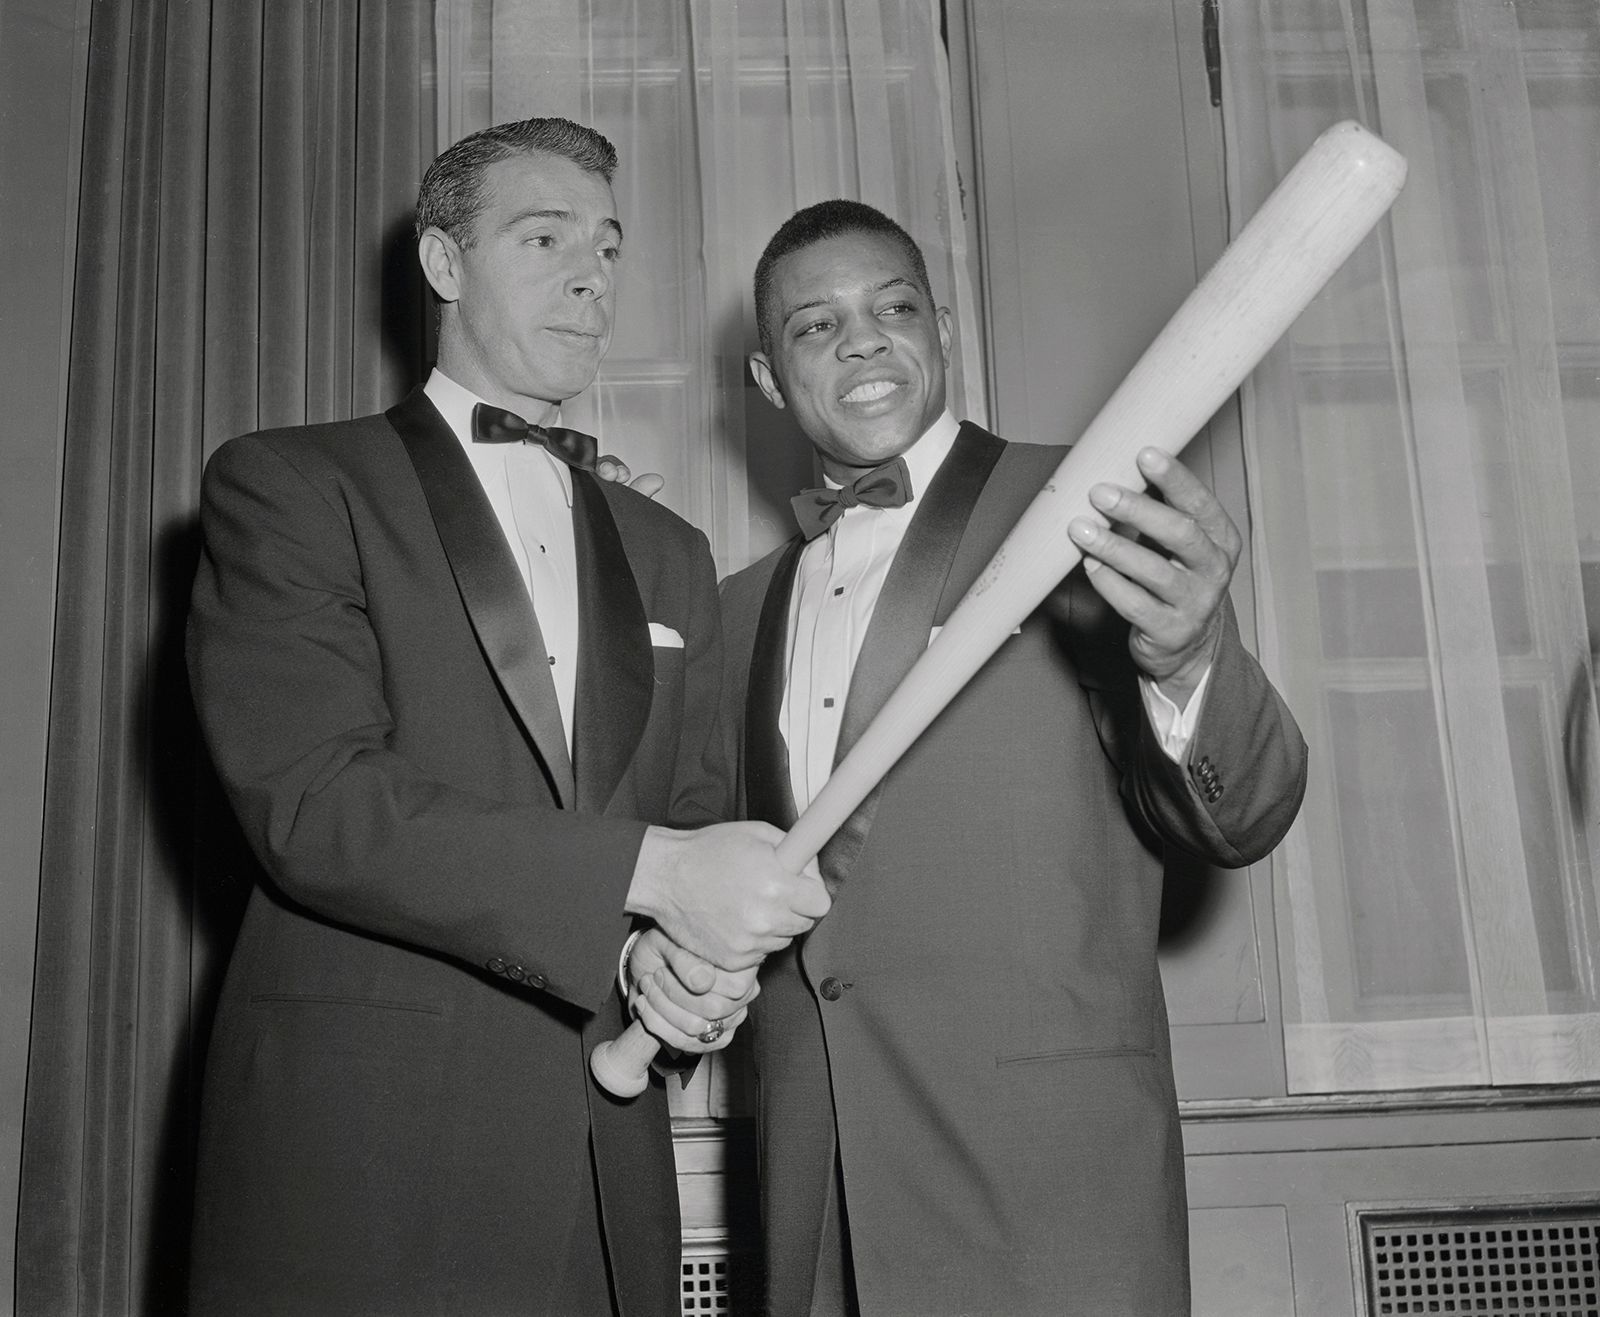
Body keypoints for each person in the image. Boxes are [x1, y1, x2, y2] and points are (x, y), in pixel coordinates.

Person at [184, 117, 826, 1316]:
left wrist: (674, 970)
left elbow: (687, 820)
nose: (593, 275)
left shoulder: (668, 549)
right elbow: (316, 804)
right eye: (544, 238)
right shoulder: (291, 484)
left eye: (609, 246)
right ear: (442, 265)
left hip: (602, 1156)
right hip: (361, 1160)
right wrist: (652, 875)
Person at [634, 198, 1309, 1315]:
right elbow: (715, 878)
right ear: (764, 379)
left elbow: (1242, 813)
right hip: (823, 1188)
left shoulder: (1094, 509)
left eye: (892, 306)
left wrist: (1189, 657)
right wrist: (664, 954)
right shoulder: (739, 608)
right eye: (815, 326)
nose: (861, 339)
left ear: (939, 328)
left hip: (1047, 1189)